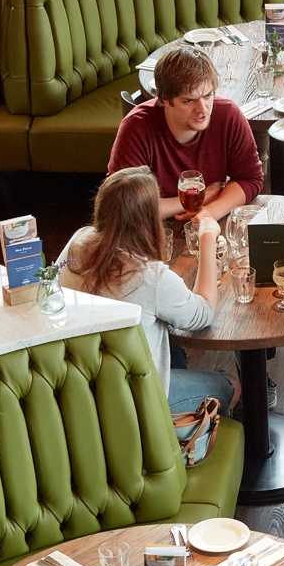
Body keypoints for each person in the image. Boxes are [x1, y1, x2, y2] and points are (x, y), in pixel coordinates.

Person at [57, 167, 236, 412]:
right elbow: (204, 313)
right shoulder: (151, 277)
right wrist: (207, 237)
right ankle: (179, 432)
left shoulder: (78, 241)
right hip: (134, 406)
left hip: (78, 392)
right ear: (148, 219)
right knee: (231, 386)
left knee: (173, 350)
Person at [107, 43, 263, 223]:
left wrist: (210, 212)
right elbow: (122, 203)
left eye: (208, 95)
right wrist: (196, 199)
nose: (203, 109)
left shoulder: (228, 115)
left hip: (209, 221)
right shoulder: (136, 126)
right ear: (165, 99)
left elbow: (250, 179)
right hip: (148, 227)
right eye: (189, 101)